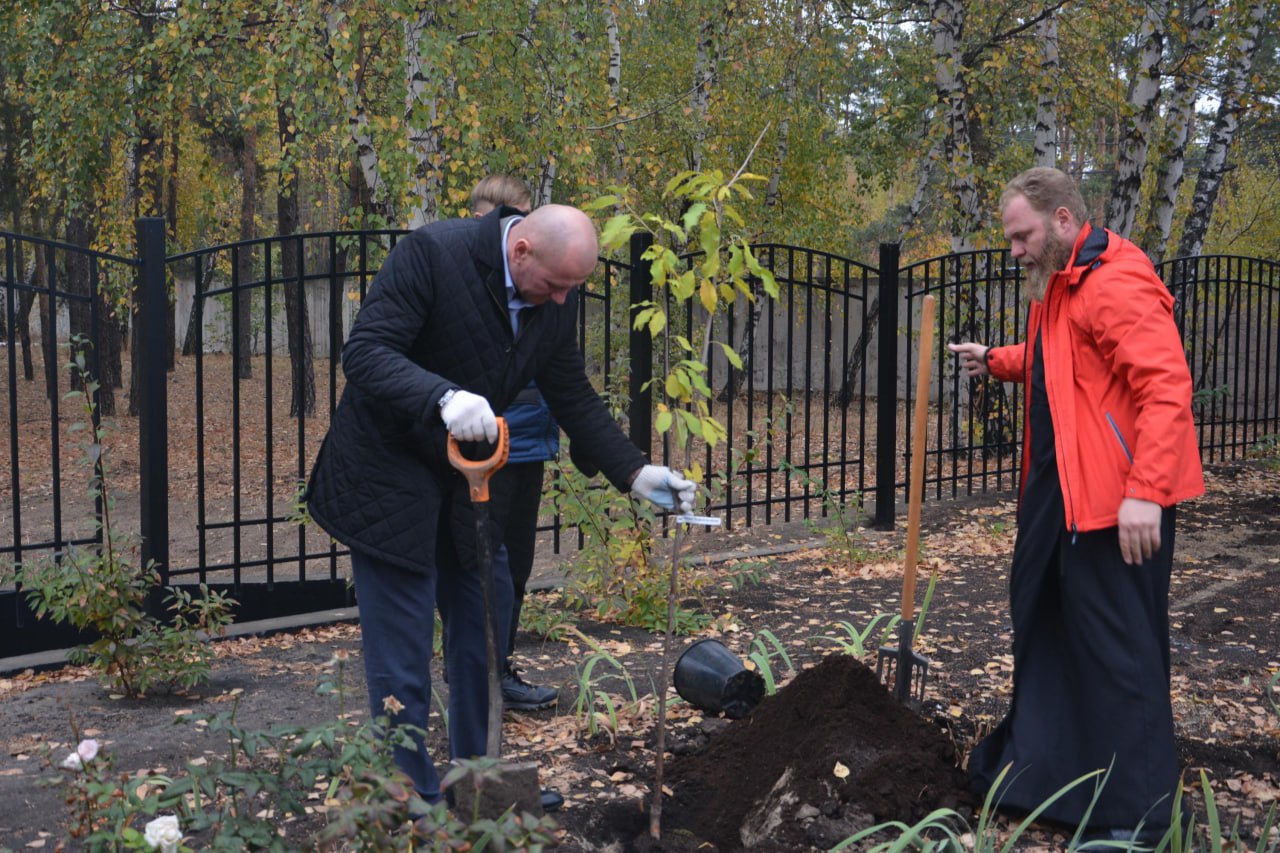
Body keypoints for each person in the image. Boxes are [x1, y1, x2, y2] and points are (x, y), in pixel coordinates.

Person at [305, 203, 696, 807]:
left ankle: (480, 785)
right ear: (521, 253)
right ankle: (412, 800)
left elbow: (571, 393)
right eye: (557, 284)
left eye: (573, 287)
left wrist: (634, 470)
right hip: (387, 474)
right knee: (402, 649)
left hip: (467, 478)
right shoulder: (432, 255)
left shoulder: (551, 303)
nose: (564, 300)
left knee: (487, 619)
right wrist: (440, 395)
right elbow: (365, 353)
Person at [948, 167, 1204, 843]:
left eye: (1022, 235)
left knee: (1118, 648)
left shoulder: (1116, 281)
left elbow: (1166, 387)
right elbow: (1059, 358)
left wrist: (1145, 493)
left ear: (1063, 219)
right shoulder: (1060, 284)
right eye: (1010, 239)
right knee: (1049, 622)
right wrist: (997, 359)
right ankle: (1052, 779)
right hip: (1061, 494)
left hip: (1116, 505)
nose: (1015, 251)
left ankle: (1140, 817)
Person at [466, 175, 558, 712]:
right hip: (483, 455)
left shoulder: (539, 289)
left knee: (515, 568)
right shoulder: (472, 285)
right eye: (512, 217)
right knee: (485, 569)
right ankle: (480, 674)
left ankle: (498, 669)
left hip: (527, 449)